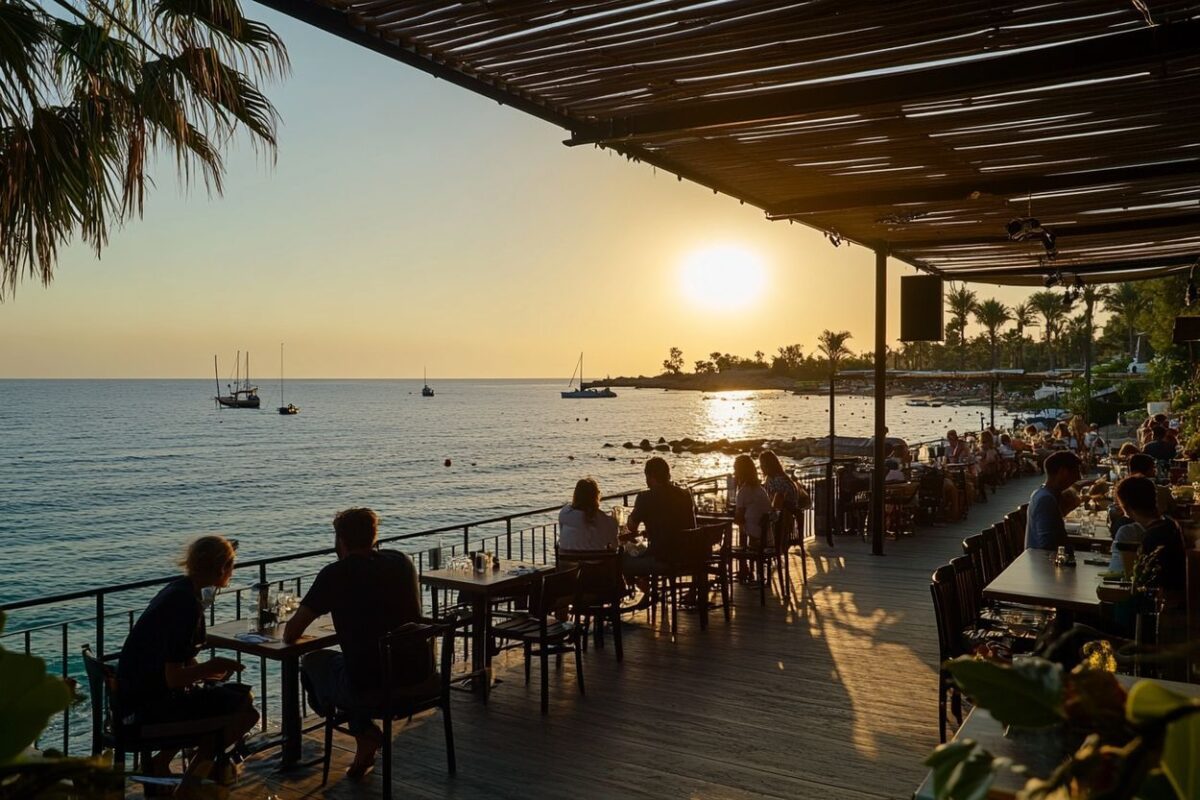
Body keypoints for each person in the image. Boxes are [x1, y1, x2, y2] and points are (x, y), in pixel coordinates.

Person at [284, 508, 422, 782]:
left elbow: (291, 633)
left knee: (312, 662)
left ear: (340, 540)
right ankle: (363, 736)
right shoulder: (401, 562)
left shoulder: (336, 573)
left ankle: (363, 731)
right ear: (374, 536)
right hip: (418, 673)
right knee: (351, 664)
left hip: (373, 684)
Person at [116, 536, 258, 783]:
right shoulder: (186, 605)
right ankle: (191, 786)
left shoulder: (178, 590)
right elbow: (173, 679)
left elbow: (174, 658)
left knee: (236, 699)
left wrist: (204, 672)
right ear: (222, 567)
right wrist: (213, 666)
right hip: (146, 710)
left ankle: (162, 764)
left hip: (130, 702)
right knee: (244, 713)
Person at [1113, 477, 1188, 608]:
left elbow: (1141, 584)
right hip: (1177, 602)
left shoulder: (1153, 537)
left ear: (1125, 507)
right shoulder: (1170, 524)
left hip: (1159, 610)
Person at [620, 457, 696, 580]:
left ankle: (646, 593)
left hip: (661, 558)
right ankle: (647, 594)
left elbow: (631, 527)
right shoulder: (685, 494)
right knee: (642, 552)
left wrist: (628, 517)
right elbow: (691, 525)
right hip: (687, 555)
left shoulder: (645, 498)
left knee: (622, 561)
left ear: (650, 476)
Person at [1025, 451, 1082, 550]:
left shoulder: (1043, 493)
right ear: (1063, 472)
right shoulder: (1046, 499)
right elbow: (1047, 544)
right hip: (1044, 562)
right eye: (1076, 472)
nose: (1078, 477)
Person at [558, 478, 619, 551]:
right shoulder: (608, 522)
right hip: (598, 561)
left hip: (568, 561)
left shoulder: (565, 514)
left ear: (576, 495)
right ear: (596, 496)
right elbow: (614, 546)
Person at [733, 454, 772, 551]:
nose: (734, 473)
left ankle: (742, 561)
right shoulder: (760, 490)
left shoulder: (743, 492)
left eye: (735, 470)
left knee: (740, 527)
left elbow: (739, 519)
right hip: (768, 535)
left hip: (755, 536)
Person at [1107, 483, 1145, 575]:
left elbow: (1115, 573)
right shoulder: (1172, 526)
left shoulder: (1128, 530)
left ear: (1124, 505)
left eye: (1118, 503)